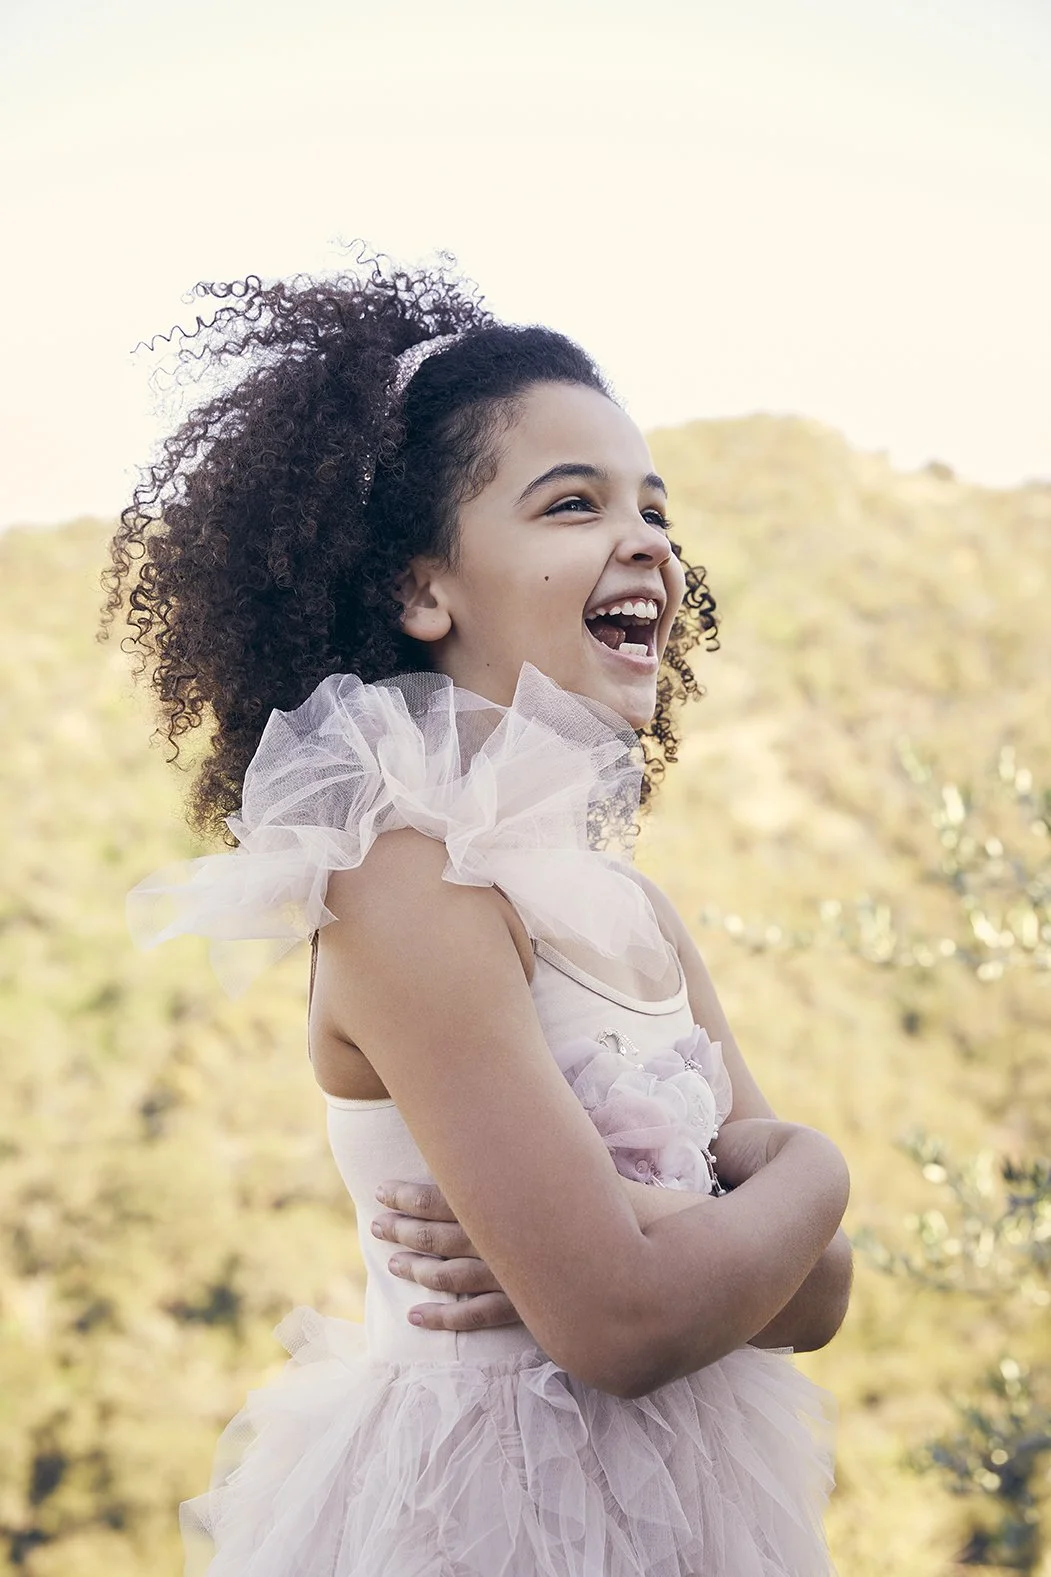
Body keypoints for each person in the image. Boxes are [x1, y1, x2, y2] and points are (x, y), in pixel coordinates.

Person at [104, 253, 852, 1576]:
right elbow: (621, 1329)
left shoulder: (628, 905)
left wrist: (686, 1235)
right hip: (483, 1523)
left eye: (653, 509)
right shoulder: (407, 882)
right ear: (419, 589)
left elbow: (815, 1303)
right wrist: (808, 1175)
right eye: (571, 504)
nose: (647, 544)